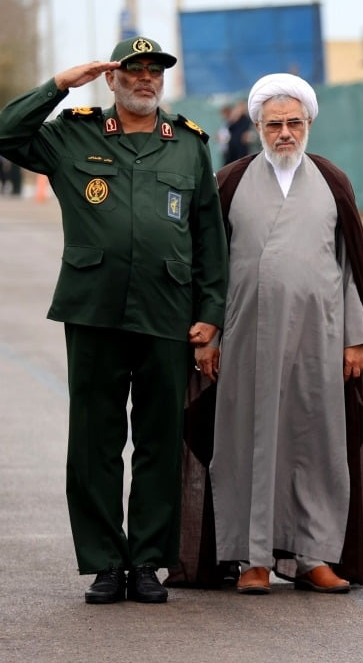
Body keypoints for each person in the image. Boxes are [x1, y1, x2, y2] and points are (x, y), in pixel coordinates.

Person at [0, 37, 228, 604]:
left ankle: (148, 561)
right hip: (94, 311)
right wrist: (58, 85)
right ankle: (104, 561)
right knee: (95, 441)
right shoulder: (72, 133)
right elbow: (6, 133)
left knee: (158, 442)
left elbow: (208, 235)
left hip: (166, 314)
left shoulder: (188, 144)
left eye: (154, 71)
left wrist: (210, 314)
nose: (146, 79)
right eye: (134, 71)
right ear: (112, 80)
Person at [186, 73, 363, 595]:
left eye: (295, 123)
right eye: (274, 124)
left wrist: (355, 336)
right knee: (244, 443)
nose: (285, 133)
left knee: (316, 441)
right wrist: (209, 334)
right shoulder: (229, 181)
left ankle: (315, 555)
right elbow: (208, 264)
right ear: (256, 127)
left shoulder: (332, 181)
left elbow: (349, 265)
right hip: (246, 336)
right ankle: (252, 558)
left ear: (310, 123)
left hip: (319, 337)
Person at [219, 99, 258, 166]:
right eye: (238, 107)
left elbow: (254, 135)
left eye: (241, 106)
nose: (239, 109)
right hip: (233, 156)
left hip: (245, 155)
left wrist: (252, 136)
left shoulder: (248, 121)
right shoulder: (232, 123)